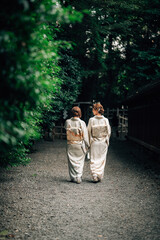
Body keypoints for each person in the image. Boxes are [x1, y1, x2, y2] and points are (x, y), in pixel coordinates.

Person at [65, 106, 89, 184]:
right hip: (79, 144)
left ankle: (73, 177)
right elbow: (85, 136)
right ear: (80, 113)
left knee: (71, 161)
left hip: (70, 144)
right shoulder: (82, 123)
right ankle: (78, 176)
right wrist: (88, 145)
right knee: (80, 161)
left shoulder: (67, 122)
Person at [87, 102, 111, 182]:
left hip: (94, 141)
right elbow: (109, 132)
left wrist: (89, 142)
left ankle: (94, 174)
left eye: (93, 109)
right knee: (102, 159)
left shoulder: (91, 120)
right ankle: (99, 175)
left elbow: (88, 131)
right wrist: (106, 140)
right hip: (103, 141)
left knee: (94, 158)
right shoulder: (105, 120)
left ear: (96, 110)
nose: (92, 111)